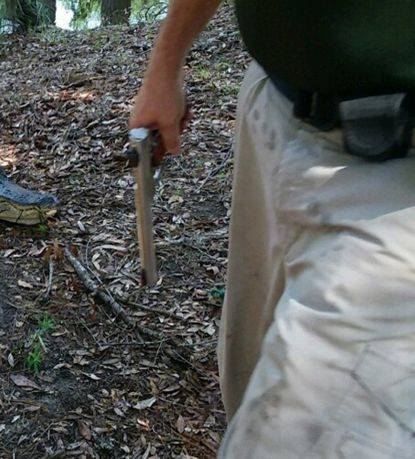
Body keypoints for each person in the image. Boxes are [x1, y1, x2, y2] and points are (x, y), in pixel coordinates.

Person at [130, 1, 415, 456]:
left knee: (302, 437)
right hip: (272, 104)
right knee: (245, 367)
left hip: (395, 182)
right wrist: (166, 67)